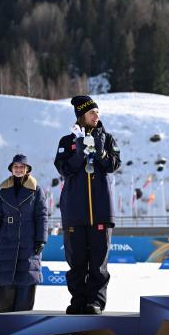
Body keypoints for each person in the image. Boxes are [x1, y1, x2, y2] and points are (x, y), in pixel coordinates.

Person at [54, 95, 121, 315]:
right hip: (74, 211)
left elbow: (113, 165)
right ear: (82, 115)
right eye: (92, 113)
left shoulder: (108, 138)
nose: (97, 116)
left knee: (99, 263)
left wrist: (100, 152)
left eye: (98, 113)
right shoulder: (67, 141)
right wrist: (80, 153)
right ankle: (78, 301)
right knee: (77, 261)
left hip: (101, 211)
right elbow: (64, 169)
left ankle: (95, 302)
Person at [0, 154, 48, 313]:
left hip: (28, 242)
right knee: (7, 280)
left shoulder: (36, 190)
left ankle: (23, 320)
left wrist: (41, 240)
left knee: (26, 279)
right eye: (16, 167)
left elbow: (41, 216)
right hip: (7, 240)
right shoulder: (4, 191)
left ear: (27, 169)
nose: (19, 169)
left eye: (22, 167)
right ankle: (5, 320)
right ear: (11, 169)